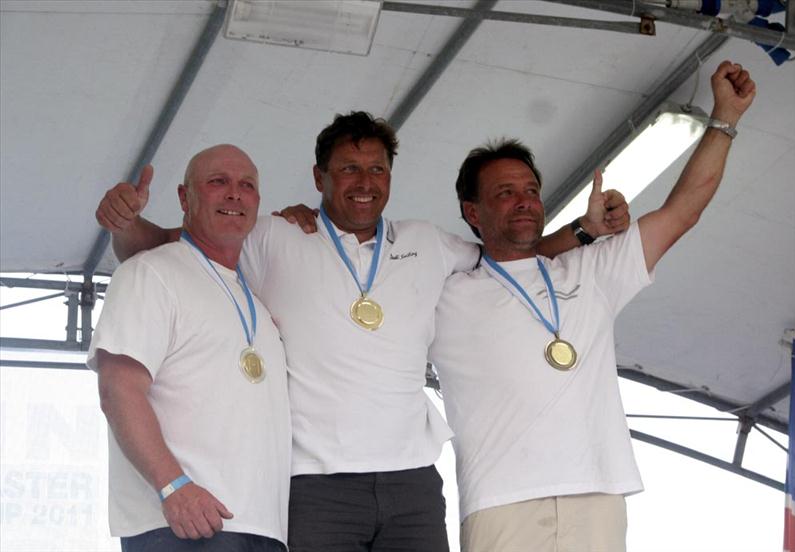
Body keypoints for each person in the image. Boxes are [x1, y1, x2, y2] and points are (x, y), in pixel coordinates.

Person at [95, 114, 629, 551]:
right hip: (315, 487)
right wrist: (123, 224)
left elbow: (511, 258)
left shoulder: (429, 243)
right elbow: (172, 245)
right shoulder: (274, 234)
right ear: (318, 178)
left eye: (377, 169)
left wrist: (583, 232)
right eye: (348, 168)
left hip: (412, 483)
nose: (365, 182)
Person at [429, 60, 756, 552]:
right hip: (501, 500)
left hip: (598, 495)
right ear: (472, 213)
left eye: (532, 191)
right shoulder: (443, 290)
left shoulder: (590, 271)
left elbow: (683, 211)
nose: (524, 201)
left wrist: (724, 120)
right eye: (505, 193)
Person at [88, 145, 291, 552]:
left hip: (262, 530)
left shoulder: (252, 295)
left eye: (246, 185)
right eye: (218, 182)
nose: (235, 194)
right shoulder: (150, 273)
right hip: (181, 525)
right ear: (185, 198)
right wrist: (173, 486)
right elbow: (118, 389)